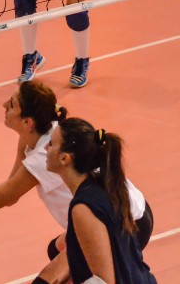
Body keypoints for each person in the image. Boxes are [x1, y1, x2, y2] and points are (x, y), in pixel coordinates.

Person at [0, 81, 153, 284]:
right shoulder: (49, 134)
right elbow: (9, 192)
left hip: (128, 222)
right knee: (55, 251)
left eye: (12, 104)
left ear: (28, 122)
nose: (3, 106)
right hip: (126, 207)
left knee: (66, 276)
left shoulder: (46, 159)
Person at [46, 119, 158, 284]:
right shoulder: (104, 186)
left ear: (64, 158)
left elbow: (103, 281)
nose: (45, 149)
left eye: (50, 144)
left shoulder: (83, 207)